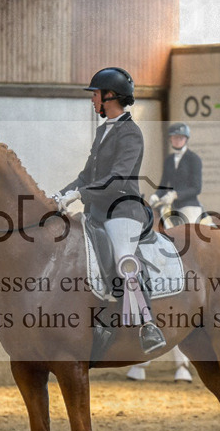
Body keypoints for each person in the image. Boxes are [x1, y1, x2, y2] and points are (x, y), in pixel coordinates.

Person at [54, 67, 166, 355]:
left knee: (123, 258)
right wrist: (62, 194)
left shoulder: (131, 133)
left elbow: (118, 177)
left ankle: (148, 325)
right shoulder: (104, 131)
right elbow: (87, 174)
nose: (92, 100)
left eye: (95, 94)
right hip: (97, 211)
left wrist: (81, 194)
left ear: (110, 96)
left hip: (122, 210)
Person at [127, 121, 204, 382]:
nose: (177, 140)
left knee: (193, 231)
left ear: (186, 139)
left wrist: (176, 196)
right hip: (170, 206)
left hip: (189, 205)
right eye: (174, 137)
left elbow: (196, 187)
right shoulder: (170, 159)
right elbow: (162, 184)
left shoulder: (193, 159)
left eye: (180, 137)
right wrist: (157, 197)